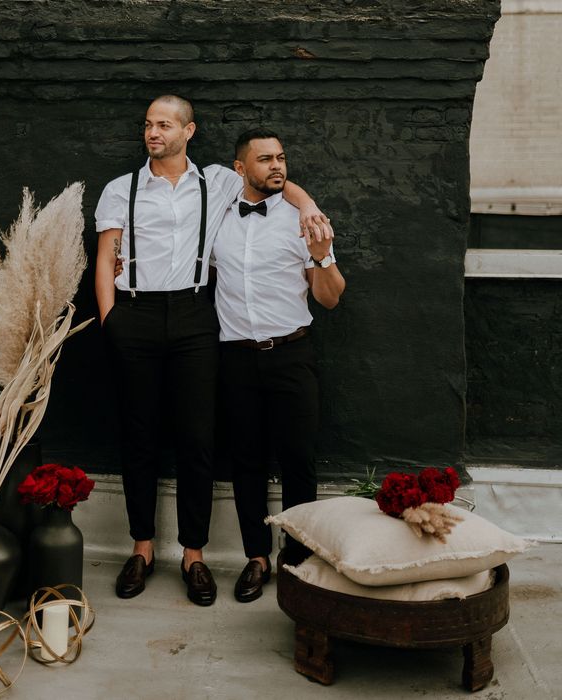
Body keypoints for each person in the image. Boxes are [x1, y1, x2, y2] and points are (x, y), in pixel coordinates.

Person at [95, 96, 331, 606]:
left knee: (197, 438)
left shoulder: (220, 182)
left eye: (163, 124)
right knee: (139, 435)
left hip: (195, 319)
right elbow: (105, 255)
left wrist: (307, 204)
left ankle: (193, 554)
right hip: (134, 313)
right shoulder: (121, 189)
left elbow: (272, 182)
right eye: (147, 124)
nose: (152, 132)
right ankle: (141, 548)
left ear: (188, 130)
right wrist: (111, 319)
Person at [212, 127, 346, 602]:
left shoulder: (300, 220)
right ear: (239, 169)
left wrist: (320, 256)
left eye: (281, 158)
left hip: (291, 354)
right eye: (265, 159)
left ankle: (297, 555)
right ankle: (256, 557)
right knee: (245, 461)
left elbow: (330, 298)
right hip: (235, 358)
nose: (277, 167)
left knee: (297, 460)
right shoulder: (218, 216)